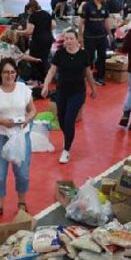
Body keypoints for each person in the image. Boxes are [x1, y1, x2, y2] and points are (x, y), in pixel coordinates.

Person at [0, 58, 36, 220]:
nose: (9, 75)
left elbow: (32, 110)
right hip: (0, 135)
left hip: (20, 135)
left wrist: (27, 119)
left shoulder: (23, 89)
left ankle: (21, 202)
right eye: (6, 72)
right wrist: (1, 122)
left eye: (12, 72)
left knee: (23, 172)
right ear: (0, 73)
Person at [41, 29, 97, 164]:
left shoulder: (84, 55)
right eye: (66, 39)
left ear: (77, 40)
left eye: (71, 38)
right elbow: (52, 70)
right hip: (62, 91)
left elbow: (88, 73)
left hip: (77, 92)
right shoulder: (60, 54)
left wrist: (93, 89)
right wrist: (45, 85)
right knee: (61, 118)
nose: (69, 41)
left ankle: (66, 150)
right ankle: (68, 137)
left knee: (69, 119)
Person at [81, 0, 111, 85]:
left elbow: (106, 21)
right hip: (89, 37)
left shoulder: (105, 5)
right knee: (89, 58)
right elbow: (81, 22)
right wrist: (79, 36)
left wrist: (110, 34)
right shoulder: (87, 6)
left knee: (102, 56)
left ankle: (100, 76)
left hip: (101, 36)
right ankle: (87, 76)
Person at [22, 0, 53, 81]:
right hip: (48, 39)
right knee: (45, 58)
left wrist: (18, 32)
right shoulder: (46, 13)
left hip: (38, 40)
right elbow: (53, 25)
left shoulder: (32, 16)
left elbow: (29, 31)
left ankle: (37, 78)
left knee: (34, 59)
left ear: (30, 9)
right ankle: (46, 78)